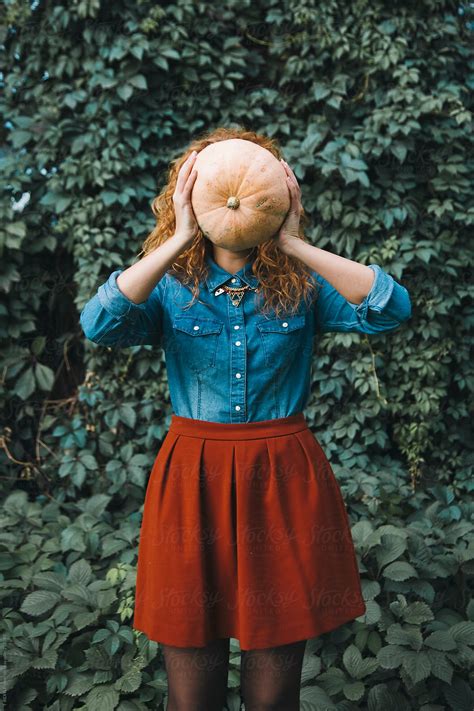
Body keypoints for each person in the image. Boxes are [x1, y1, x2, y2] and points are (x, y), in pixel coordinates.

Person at [80, 127, 412, 711]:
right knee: (191, 690)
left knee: (274, 694)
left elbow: (390, 308)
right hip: (193, 478)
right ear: (190, 192)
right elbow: (99, 324)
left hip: (283, 476)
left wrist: (294, 241)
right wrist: (181, 235)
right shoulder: (170, 288)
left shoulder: (303, 285)